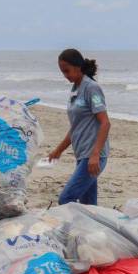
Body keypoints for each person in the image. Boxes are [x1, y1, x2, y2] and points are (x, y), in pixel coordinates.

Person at [48, 49, 111, 206]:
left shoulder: (91, 88)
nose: (65, 75)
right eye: (62, 72)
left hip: (93, 156)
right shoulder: (75, 90)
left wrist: (95, 154)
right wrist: (58, 150)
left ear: (78, 67)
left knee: (66, 198)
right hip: (82, 155)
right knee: (88, 205)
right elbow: (75, 128)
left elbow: (105, 123)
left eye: (67, 70)